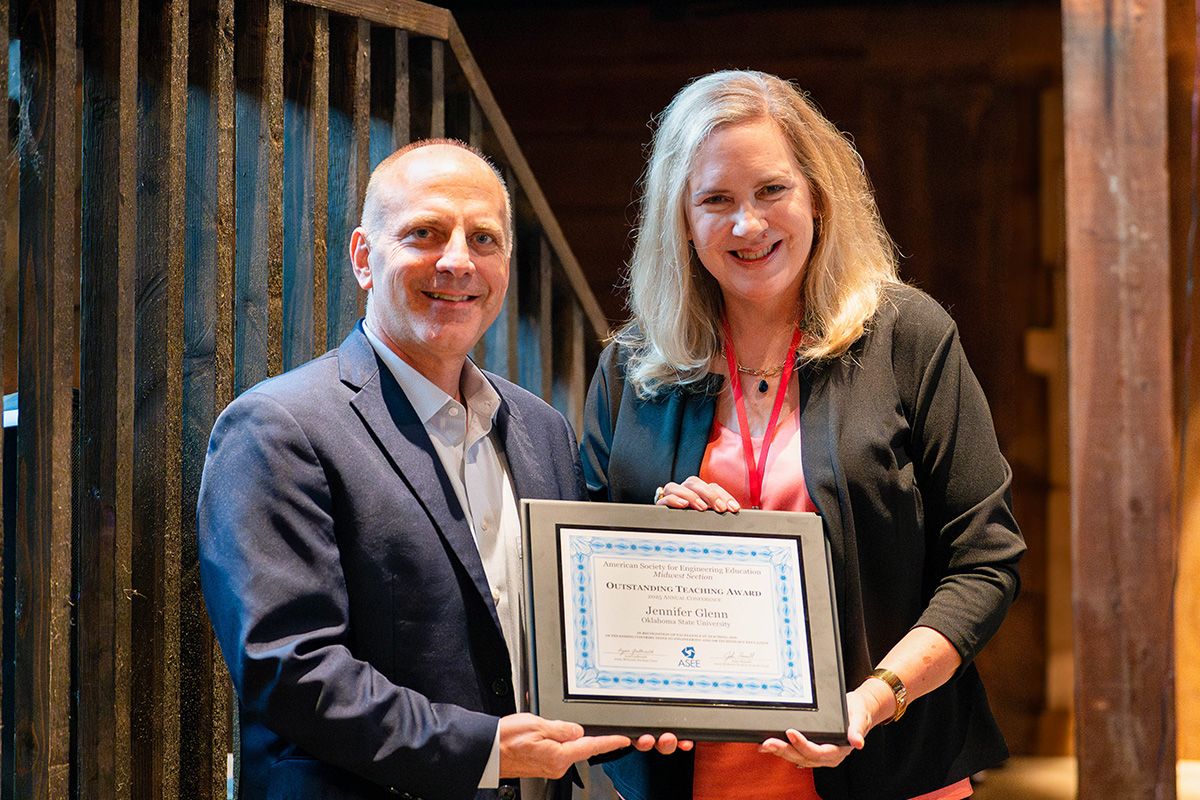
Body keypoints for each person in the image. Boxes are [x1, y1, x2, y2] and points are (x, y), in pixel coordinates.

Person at [580, 71, 1025, 800]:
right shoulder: (634, 368)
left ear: (817, 196)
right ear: (682, 222)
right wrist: (661, 548)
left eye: (771, 191)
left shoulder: (908, 338)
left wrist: (877, 697)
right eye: (715, 199)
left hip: (887, 764)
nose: (747, 224)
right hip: (688, 780)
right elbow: (591, 572)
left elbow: (985, 562)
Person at [198, 139, 631, 800]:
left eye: (483, 239)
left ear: (505, 266)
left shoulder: (542, 430)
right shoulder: (277, 428)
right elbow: (290, 669)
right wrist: (484, 751)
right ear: (364, 259)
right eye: (424, 233)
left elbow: (575, 630)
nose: (458, 260)